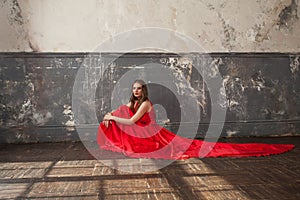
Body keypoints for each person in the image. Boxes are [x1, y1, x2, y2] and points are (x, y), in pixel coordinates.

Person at [97, 80, 294, 160]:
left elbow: (131, 122)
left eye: (139, 88)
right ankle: (116, 132)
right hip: (143, 132)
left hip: (153, 135)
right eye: (134, 88)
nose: (136, 91)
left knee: (120, 117)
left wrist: (112, 116)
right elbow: (124, 110)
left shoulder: (146, 103)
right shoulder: (134, 102)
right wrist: (110, 114)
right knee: (120, 112)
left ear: (144, 90)